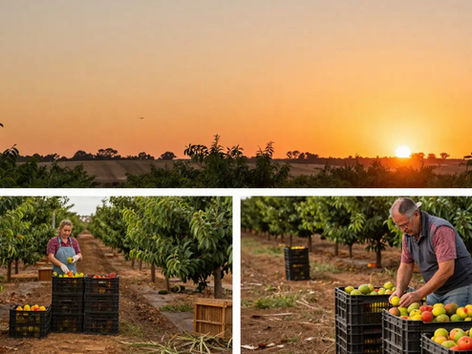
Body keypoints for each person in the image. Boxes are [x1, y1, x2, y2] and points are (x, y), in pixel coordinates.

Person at [389, 197, 472, 308]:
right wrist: (399, 290)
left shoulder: (439, 230)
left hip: (459, 287)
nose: (403, 229)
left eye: (405, 224)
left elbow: (447, 270)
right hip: (435, 290)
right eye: (399, 226)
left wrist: (418, 294)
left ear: (416, 214)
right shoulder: (408, 235)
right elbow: (406, 266)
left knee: (451, 324)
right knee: (433, 323)